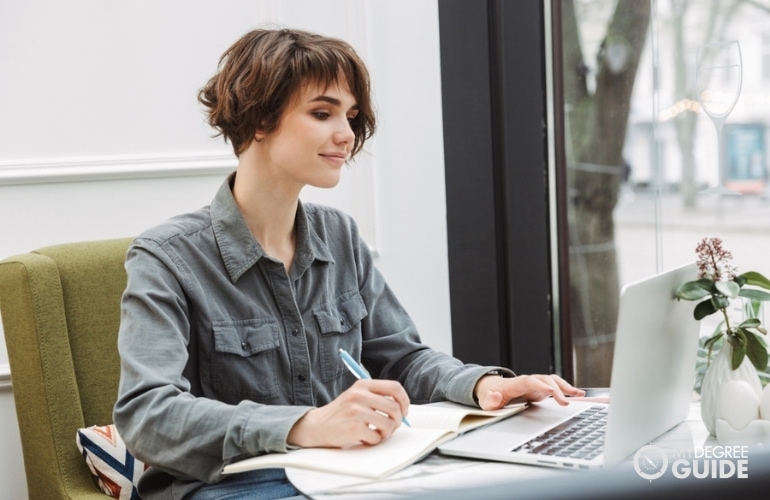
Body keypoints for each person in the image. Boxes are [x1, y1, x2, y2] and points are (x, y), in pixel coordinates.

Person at [113, 27, 584, 500]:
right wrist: (306, 424)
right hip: (229, 485)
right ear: (259, 119)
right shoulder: (167, 257)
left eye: (351, 116)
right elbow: (148, 415)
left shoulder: (339, 236)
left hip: (346, 475)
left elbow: (400, 358)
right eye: (322, 113)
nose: (346, 134)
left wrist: (482, 385)